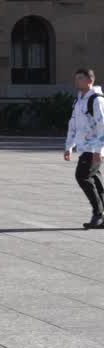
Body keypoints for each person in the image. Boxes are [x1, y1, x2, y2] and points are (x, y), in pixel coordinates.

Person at [64, 68, 104, 228]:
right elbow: (73, 125)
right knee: (94, 179)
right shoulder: (79, 100)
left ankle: (98, 214)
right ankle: (101, 215)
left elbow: (102, 126)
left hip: (94, 148)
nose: (77, 81)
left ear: (90, 80)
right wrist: (69, 146)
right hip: (85, 148)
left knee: (83, 176)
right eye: (76, 78)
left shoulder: (96, 100)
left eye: (80, 78)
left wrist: (99, 151)